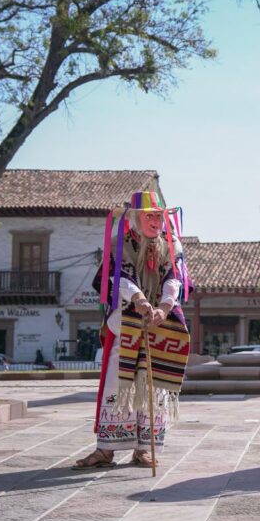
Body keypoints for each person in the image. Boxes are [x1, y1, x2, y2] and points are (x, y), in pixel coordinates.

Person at [74, 192, 191, 470]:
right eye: (149, 215)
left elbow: (174, 278)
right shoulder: (120, 244)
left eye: (158, 215)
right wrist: (138, 298)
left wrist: (164, 307)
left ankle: (144, 449)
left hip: (161, 322)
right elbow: (118, 276)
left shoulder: (171, 245)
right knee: (117, 382)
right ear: (136, 218)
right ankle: (106, 449)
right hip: (127, 319)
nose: (155, 220)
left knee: (155, 386)